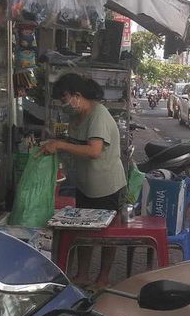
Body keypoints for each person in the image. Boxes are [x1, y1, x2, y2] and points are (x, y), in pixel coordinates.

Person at [40, 73, 127, 288]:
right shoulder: (76, 116)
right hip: (85, 185)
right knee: (83, 230)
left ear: (77, 95)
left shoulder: (98, 114)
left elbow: (94, 150)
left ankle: (103, 278)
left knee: (107, 235)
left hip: (107, 186)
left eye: (64, 98)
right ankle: (83, 274)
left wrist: (60, 145)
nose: (63, 103)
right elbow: (75, 143)